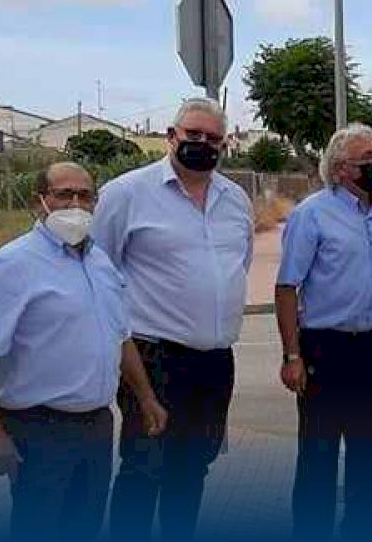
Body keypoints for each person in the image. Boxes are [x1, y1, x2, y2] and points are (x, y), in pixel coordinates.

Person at [0, 162, 168, 541]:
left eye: (85, 195)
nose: (75, 204)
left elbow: (120, 337)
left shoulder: (101, 263)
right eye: (63, 194)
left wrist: (146, 397)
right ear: (40, 201)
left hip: (96, 425)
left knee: (85, 526)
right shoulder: (11, 265)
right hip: (39, 430)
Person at [92, 97, 254, 541]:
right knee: (144, 468)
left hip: (215, 360)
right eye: (193, 135)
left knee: (193, 468)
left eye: (213, 138)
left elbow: (239, 265)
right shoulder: (126, 194)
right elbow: (100, 275)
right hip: (152, 358)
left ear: (225, 145)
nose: (203, 144)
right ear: (170, 137)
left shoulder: (235, 199)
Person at [275, 124, 372, 540]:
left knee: (368, 455)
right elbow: (287, 287)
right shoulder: (311, 214)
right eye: (367, 159)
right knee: (319, 456)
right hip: (324, 349)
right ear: (340, 169)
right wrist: (292, 356)